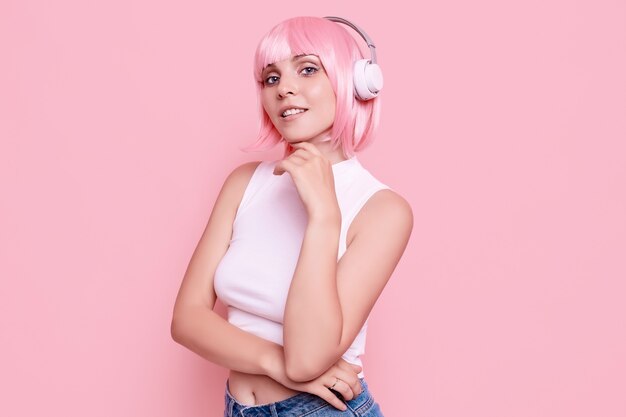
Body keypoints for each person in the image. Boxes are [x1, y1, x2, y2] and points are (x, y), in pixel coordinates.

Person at [170, 16, 413, 416]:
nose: (284, 88)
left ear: (354, 83)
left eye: (307, 69)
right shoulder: (244, 183)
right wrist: (274, 363)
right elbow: (187, 319)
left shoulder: (383, 210)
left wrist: (324, 214)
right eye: (270, 78)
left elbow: (308, 358)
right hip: (239, 407)